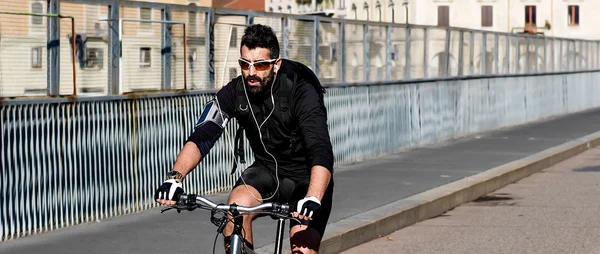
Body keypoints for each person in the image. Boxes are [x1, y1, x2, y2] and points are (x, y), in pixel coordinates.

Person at [155, 24, 334, 254]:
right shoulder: (236, 91)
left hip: (306, 178)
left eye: (260, 65)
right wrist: (175, 178)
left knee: (303, 247)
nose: (251, 72)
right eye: (244, 64)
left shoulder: (301, 89)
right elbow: (204, 133)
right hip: (266, 171)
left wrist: (313, 197)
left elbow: (320, 148)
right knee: (235, 211)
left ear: (276, 64)